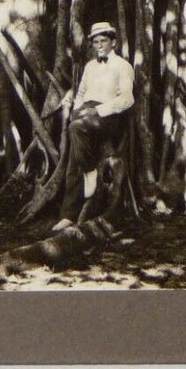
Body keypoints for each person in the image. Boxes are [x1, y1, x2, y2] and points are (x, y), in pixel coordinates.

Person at [53, 21, 135, 231]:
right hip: (86, 115)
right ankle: (69, 215)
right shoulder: (90, 66)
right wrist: (77, 110)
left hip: (108, 115)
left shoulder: (122, 66)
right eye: (96, 42)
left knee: (75, 129)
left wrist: (98, 111)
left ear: (113, 43)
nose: (99, 45)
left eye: (103, 41)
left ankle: (90, 172)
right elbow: (81, 94)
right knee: (72, 161)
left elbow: (127, 99)